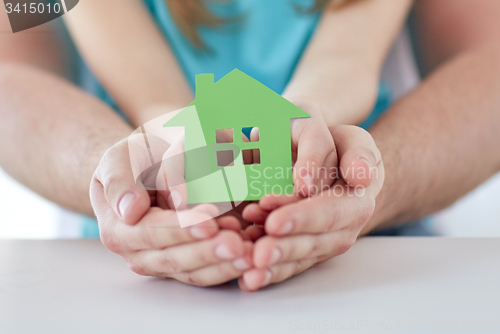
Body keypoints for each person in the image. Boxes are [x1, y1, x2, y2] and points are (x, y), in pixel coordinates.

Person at [0, 0, 499, 292]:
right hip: (132, 280)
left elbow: (489, 64)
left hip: (374, 268)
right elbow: (10, 70)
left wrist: (364, 173)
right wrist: (120, 171)